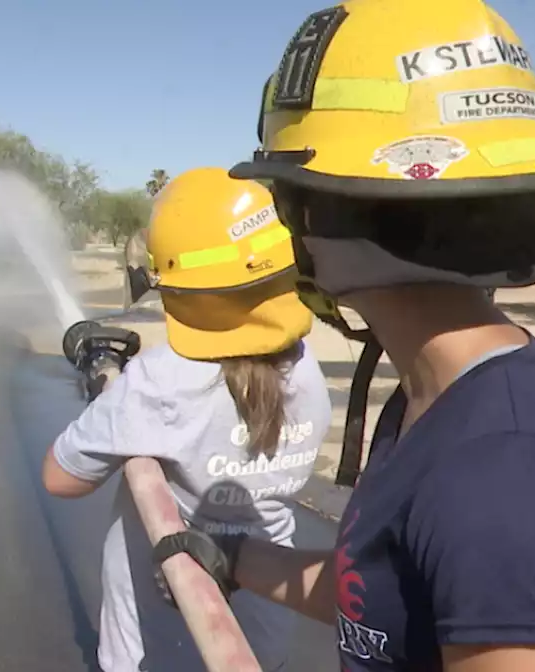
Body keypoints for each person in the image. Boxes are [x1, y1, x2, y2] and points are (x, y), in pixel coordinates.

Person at [154, 2, 535, 671]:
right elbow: (384, 597)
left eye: (286, 194)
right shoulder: (435, 394)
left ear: (335, 209)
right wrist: (237, 559)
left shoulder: (510, 482)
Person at [42, 167, 333, 672]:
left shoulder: (158, 382)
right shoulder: (305, 363)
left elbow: (59, 478)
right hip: (263, 632)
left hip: (155, 646)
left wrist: (110, 398)